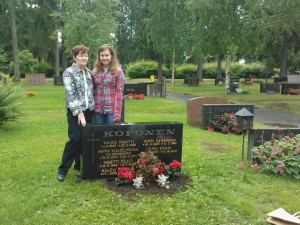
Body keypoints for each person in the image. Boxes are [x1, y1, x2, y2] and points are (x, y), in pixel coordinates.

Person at [57, 44, 94, 182]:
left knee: (85, 140)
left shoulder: (89, 73)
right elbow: (70, 94)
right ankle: (62, 170)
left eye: (86, 55)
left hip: (89, 110)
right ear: (74, 57)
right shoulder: (69, 72)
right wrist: (79, 113)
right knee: (75, 139)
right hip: (75, 111)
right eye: (81, 55)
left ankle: (80, 165)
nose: (84, 57)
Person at [92, 44, 125, 125]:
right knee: (99, 136)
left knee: (110, 136)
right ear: (99, 57)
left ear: (111, 56)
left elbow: (119, 94)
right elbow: (92, 91)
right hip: (98, 110)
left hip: (111, 112)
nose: (104, 58)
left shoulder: (118, 71)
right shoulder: (94, 72)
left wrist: (117, 114)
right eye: (102, 55)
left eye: (107, 55)